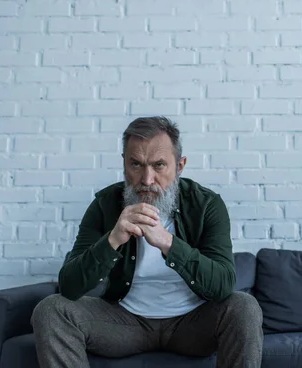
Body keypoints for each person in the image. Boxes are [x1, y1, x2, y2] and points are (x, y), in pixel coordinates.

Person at [31, 116, 263, 368]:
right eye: (136, 164)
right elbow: (70, 286)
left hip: (193, 324)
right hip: (125, 322)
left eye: (159, 165)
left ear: (180, 166)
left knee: (244, 306)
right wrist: (113, 240)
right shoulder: (105, 204)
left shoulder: (207, 205)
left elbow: (223, 285)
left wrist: (168, 244)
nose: (147, 179)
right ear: (124, 163)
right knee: (51, 309)